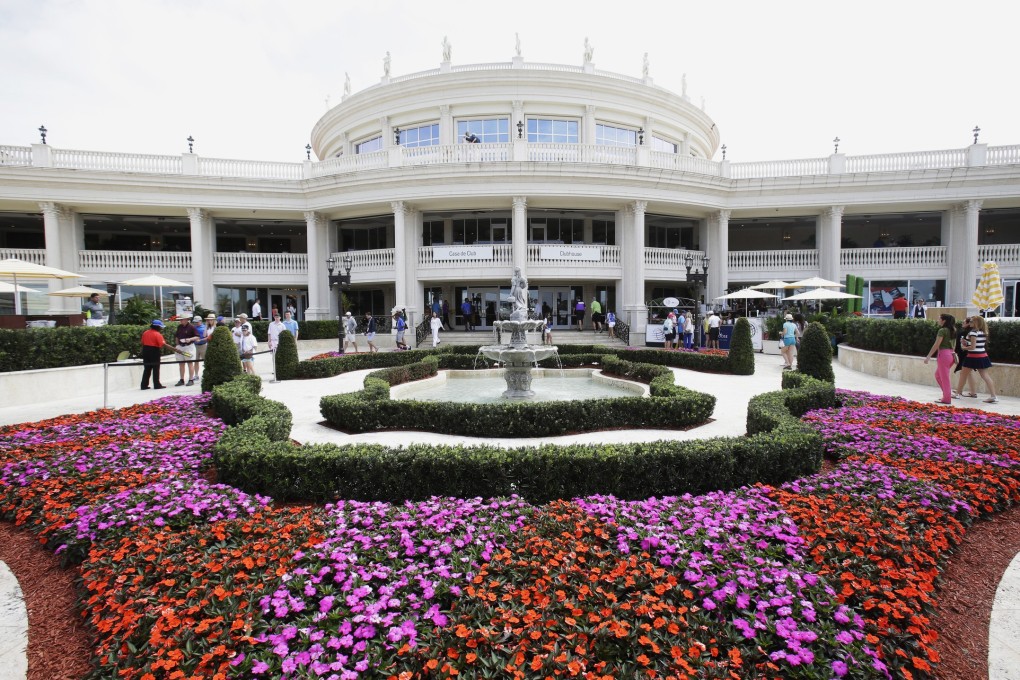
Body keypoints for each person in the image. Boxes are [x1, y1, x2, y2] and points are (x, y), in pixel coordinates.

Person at [957, 316, 998, 403]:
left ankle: (957, 393)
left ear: (976, 323)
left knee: (963, 374)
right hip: (982, 355)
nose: (970, 322)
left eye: (971, 321)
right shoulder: (983, 332)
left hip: (973, 356)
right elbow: (978, 344)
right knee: (985, 376)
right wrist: (967, 343)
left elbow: (972, 347)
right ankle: (993, 396)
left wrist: (964, 347)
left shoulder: (973, 332)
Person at [924, 313, 957, 404]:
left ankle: (947, 398)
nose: (938, 320)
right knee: (938, 375)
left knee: (944, 377)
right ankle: (947, 394)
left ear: (944, 321)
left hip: (944, 355)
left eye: (939, 319)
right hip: (951, 354)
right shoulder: (953, 330)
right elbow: (954, 344)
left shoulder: (942, 330)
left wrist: (929, 356)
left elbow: (936, 344)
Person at [140, 320, 170, 390]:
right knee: (156, 368)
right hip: (154, 351)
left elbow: (142, 342)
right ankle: (157, 384)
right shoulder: (157, 334)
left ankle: (143, 385)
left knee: (147, 369)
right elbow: (162, 344)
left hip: (145, 350)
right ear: (158, 327)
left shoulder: (145, 333)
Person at [953, 317, 978, 398]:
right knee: (967, 373)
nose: (962, 324)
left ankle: (959, 391)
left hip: (965, 354)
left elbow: (959, 345)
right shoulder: (973, 332)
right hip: (970, 354)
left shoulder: (966, 333)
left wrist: (956, 351)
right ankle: (971, 392)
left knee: (964, 373)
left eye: (964, 322)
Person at [173, 317, 199, 386]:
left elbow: (197, 337)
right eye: (180, 320)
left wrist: (190, 339)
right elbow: (177, 336)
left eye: (182, 319)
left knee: (190, 363)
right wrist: (177, 345)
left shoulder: (191, 327)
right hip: (181, 347)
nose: (180, 321)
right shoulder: (179, 327)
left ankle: (191, 379)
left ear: (186, 320)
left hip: (188, 347)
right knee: (181, 363)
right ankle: (181, 379)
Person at [191, 315, 209, 382]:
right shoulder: (193, 328)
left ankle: (207, 373)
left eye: (197, 322)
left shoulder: (204, 327)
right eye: (195, 322)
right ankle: (196, 375)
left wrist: (201, 340)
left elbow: (207, 336)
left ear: (200, 321)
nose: (196, 323)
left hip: (203, 345)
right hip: (195, 346)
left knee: (205, 360)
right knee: (196, 361)